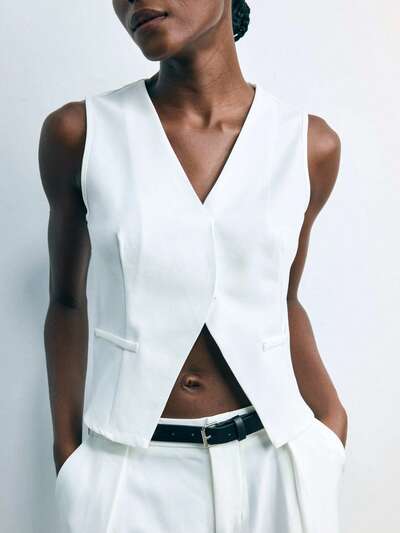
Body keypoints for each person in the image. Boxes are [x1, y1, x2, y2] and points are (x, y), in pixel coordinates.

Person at [39, 1, 348, 532]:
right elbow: (67, 301)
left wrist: (329, 428)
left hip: (278, 464)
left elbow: (284, 299)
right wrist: (71, 460)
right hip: (129, 472)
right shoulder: (81, 134)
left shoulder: (307, 144)